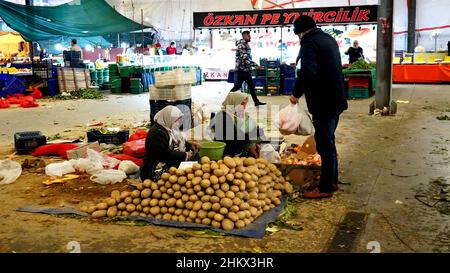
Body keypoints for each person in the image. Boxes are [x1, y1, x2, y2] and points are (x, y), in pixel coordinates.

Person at [290, 15, 348, 199]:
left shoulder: (309, 43)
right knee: (329, 140)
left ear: (301, 32)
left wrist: (296, 94)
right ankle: (332, 180)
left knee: (324, 145)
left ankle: (325, 188)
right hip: (336, 99)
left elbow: (308, 71)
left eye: (298, 33)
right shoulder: (328, 39)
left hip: (324, 101)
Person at [140, 106, 198, 181]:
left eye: (178, 121)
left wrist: (190, 145)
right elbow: (164, 154)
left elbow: (178, 141)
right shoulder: (156, 133)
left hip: (168, 161)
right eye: (175, 121)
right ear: (168, 118)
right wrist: (185, 155)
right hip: (154, 168)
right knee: (180, 174)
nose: (177, 123)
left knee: (195, 158)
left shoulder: (168, 128)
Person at [211, 92, 265, 157]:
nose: (244, 107)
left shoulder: (235, 115)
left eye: (245, 104)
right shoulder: (222, 117)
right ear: (234, 102)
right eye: (242, 104)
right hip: (227, 153)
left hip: (238, 149)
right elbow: (230, 140)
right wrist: (251, 136)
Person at [230, 31, 266, 107]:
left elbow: (247, 57)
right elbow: (245, 58)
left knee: (250, 86)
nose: (250, 37)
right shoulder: (241, 45)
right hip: (241, 70)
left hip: (245, 69)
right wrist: (256, 65)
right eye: (248, 36)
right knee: (237, 87)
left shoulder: (245, 44)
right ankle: (227, 100)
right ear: (244, 36)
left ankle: (256, 102)